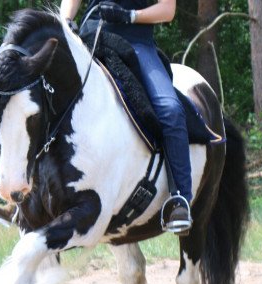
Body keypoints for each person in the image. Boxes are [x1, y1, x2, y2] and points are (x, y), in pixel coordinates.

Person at [60, 0, 193, 234]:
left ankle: (180, 198)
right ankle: (25, 193)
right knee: (42, 94)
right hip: (90, 38)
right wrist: (66, 21)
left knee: (170, 110)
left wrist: (131, 16)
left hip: (136, 43)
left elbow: (167, 10)